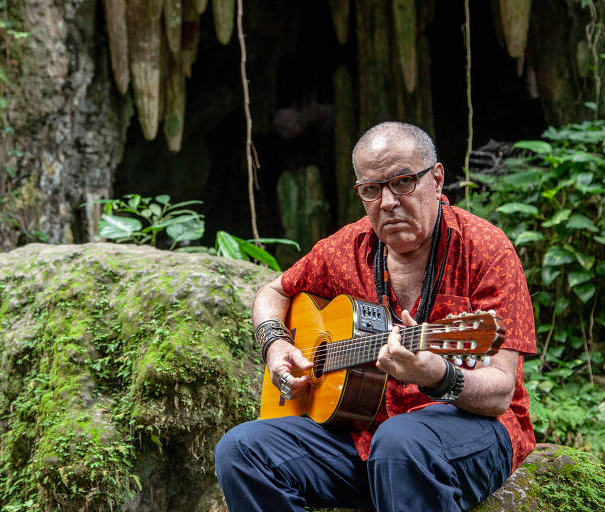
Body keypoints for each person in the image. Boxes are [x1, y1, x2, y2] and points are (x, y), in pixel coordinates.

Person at [214, 121, 536, 511]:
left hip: (470, 433)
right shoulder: (345, 248)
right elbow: (273, 291)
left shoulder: (486, 249)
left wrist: (437, 374)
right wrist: (275, 343)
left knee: (400, 443)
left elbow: (500, 391)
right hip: (363, 439)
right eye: (371, 190)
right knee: (241, 449)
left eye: (402, 182)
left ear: (437, 179)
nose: (387, 202)